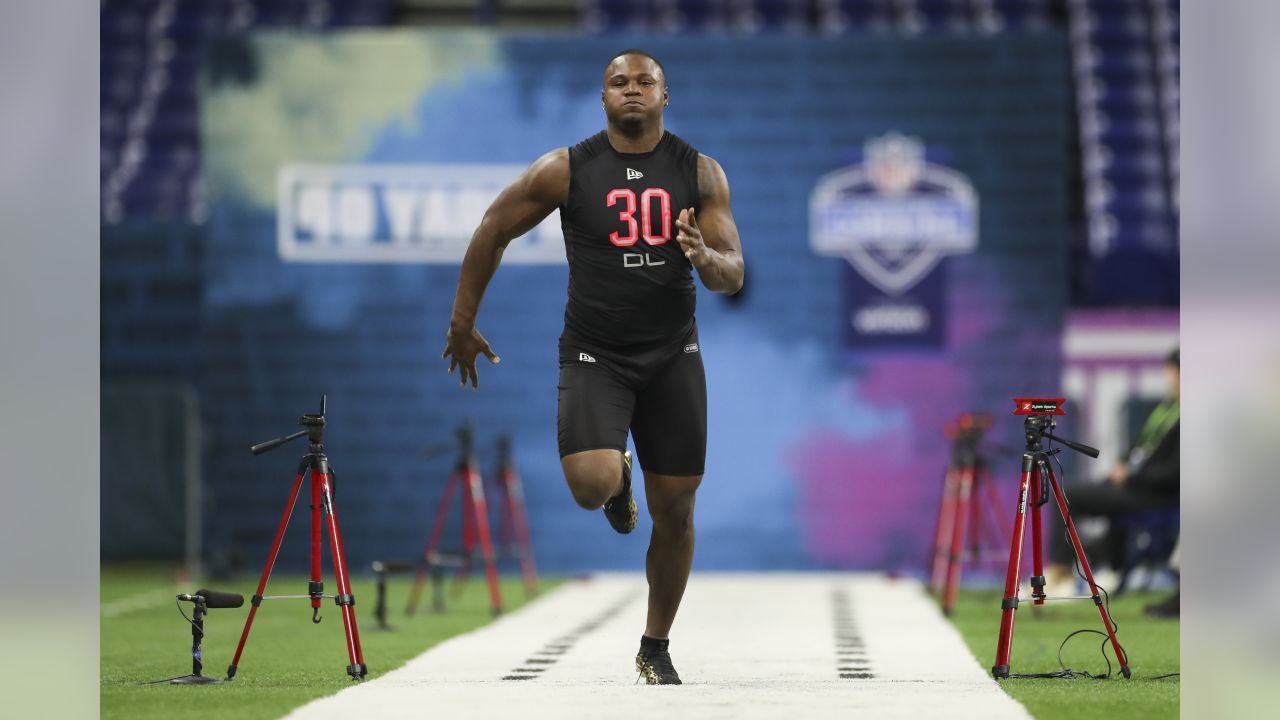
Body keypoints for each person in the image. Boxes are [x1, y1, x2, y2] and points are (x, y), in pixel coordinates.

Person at [441, 49, 745, 685]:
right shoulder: (566, 169)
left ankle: (654, 645)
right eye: (618, 83)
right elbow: (493, 228)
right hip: (595, 353)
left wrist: (702, 256)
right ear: (602, 97)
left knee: (678, 512)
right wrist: (462, 322)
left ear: (666, 94)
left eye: (644, 82)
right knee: (590, 486)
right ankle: (618, 473)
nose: (631, 90)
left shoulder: (701, 172)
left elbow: (733, 273)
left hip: (672, 355)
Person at [1047, 348, 1180, 589]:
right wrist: (1124, 464)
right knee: (1075, 493)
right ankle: (1099, 565)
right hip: (1137, 487)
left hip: (1154, 495)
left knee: (1067, 495)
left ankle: (1063, 572)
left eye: (1174, 373)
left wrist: (1134, 475)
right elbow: (1143, 447)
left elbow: (1177, 471)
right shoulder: (1167, 409)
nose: (1170, 379)